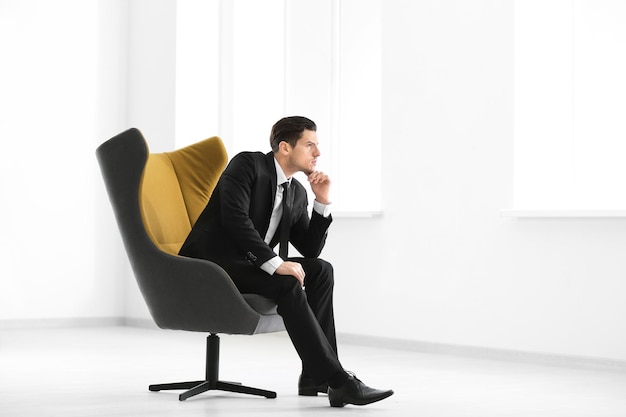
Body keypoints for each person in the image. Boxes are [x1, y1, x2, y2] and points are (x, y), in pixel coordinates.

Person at [179, 116, 393, 407]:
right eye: (310, 145)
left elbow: (310, 249)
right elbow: (235, 220)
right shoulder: (247, 165)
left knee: (320, 271)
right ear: (284, 147)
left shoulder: (296, 191)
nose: (317, 153)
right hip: (211, 264)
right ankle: (339, 381)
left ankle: (314, 377)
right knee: (287, 282)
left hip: (248, 264)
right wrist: (275, 263)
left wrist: (322, 201)